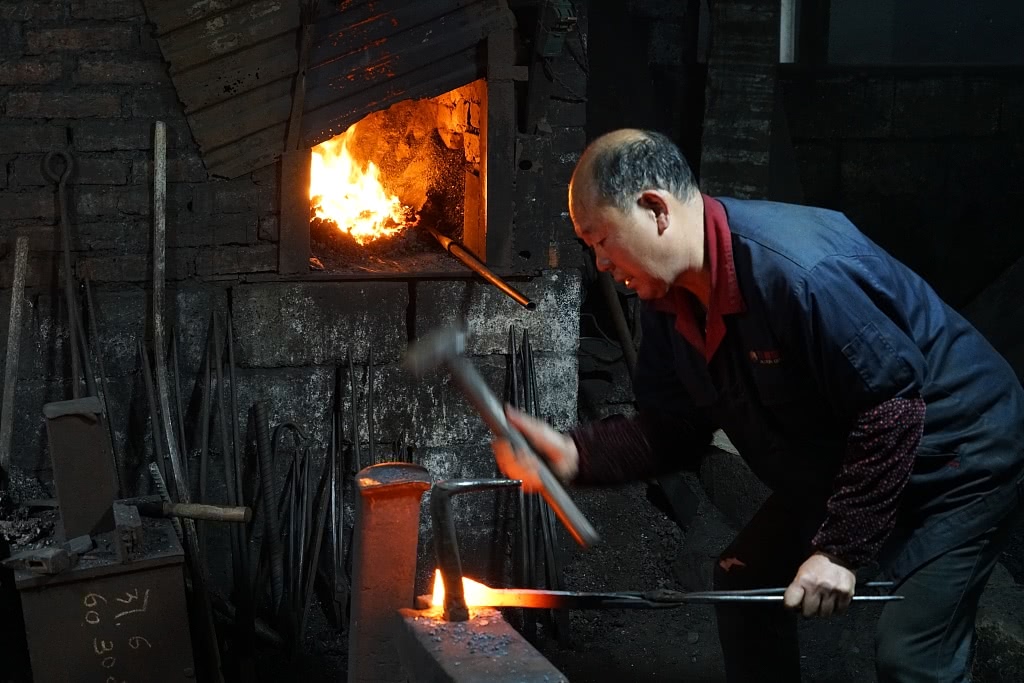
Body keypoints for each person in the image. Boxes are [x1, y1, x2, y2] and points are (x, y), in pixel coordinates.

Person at [493, 128, 1024, 682]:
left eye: (600, 239)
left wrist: (839, 549)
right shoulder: (666, 299)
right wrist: (577, 454)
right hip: (844, 457)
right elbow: (678, 429)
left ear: (655, 209)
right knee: (744, 581)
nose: (600, 263)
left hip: (959, 457)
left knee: (913, 658)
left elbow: (891, 408)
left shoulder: (799, 273)